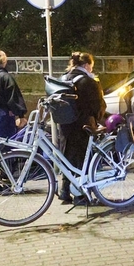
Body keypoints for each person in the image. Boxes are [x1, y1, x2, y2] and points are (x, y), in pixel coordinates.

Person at [58, 52, 106, 205]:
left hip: (65, 125)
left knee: (67, 157)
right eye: (91, 66)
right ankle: (81, 196)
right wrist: (98, 119)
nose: (91, 69)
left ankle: (65, 191)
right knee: (82, 160)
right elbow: (97, 105)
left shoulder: (63, 78)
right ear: (86, 65)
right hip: (83, 125)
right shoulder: (88, 81)